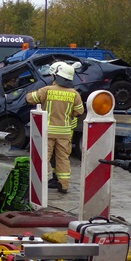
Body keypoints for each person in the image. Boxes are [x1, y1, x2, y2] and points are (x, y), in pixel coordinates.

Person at [27, 62, 85, 194]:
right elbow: (79, 111)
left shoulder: (47, 90)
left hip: (47, 131)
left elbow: (30, 99)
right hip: (64, 133)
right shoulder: (74, 94)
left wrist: (31, 92)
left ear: (56, 76)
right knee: (63, 158)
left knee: (43, 158)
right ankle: (64, 185)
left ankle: (39, 184)